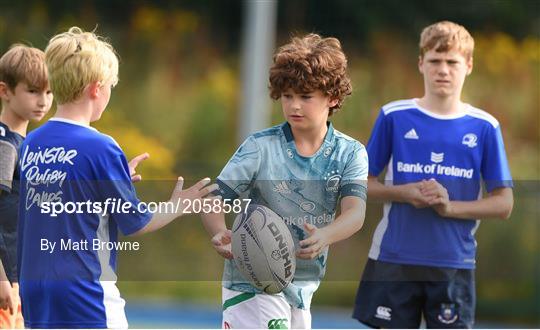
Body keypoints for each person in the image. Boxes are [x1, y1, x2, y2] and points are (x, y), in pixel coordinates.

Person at [17, 27, 218, 328]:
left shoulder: (32, 143)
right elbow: (135, 222)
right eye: (111, 86)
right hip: (86, 294)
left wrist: (113, 182)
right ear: (96, 88)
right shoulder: (100, 146)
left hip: (35, 293)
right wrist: (179, 205)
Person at [352, 21, 514, 328]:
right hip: (395, 259)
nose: (443, 70)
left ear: (468, 65)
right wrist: (405, 192)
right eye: (435, 61)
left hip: (453, 263)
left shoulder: (485, 127)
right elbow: (360, 185)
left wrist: (449, 207)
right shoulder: (393, 116)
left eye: (452, 62)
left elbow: (504, 204)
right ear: (421, 64)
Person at [202, 33, 368, 329]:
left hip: (302, 288)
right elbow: (214, 197)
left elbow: (355, 212)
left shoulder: (350, 153)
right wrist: (218, 230)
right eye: (288, 96)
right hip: (251, 283)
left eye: (306, 97)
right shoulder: (260, 147)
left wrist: (326, 235)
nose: (294, 105)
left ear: (332, 97)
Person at [0, 44, 53, 328]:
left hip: (23, 281)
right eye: (32, 91)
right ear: (5, 91)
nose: (43, 101)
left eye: (48, 91)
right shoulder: (4, 145)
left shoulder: (29, 146)